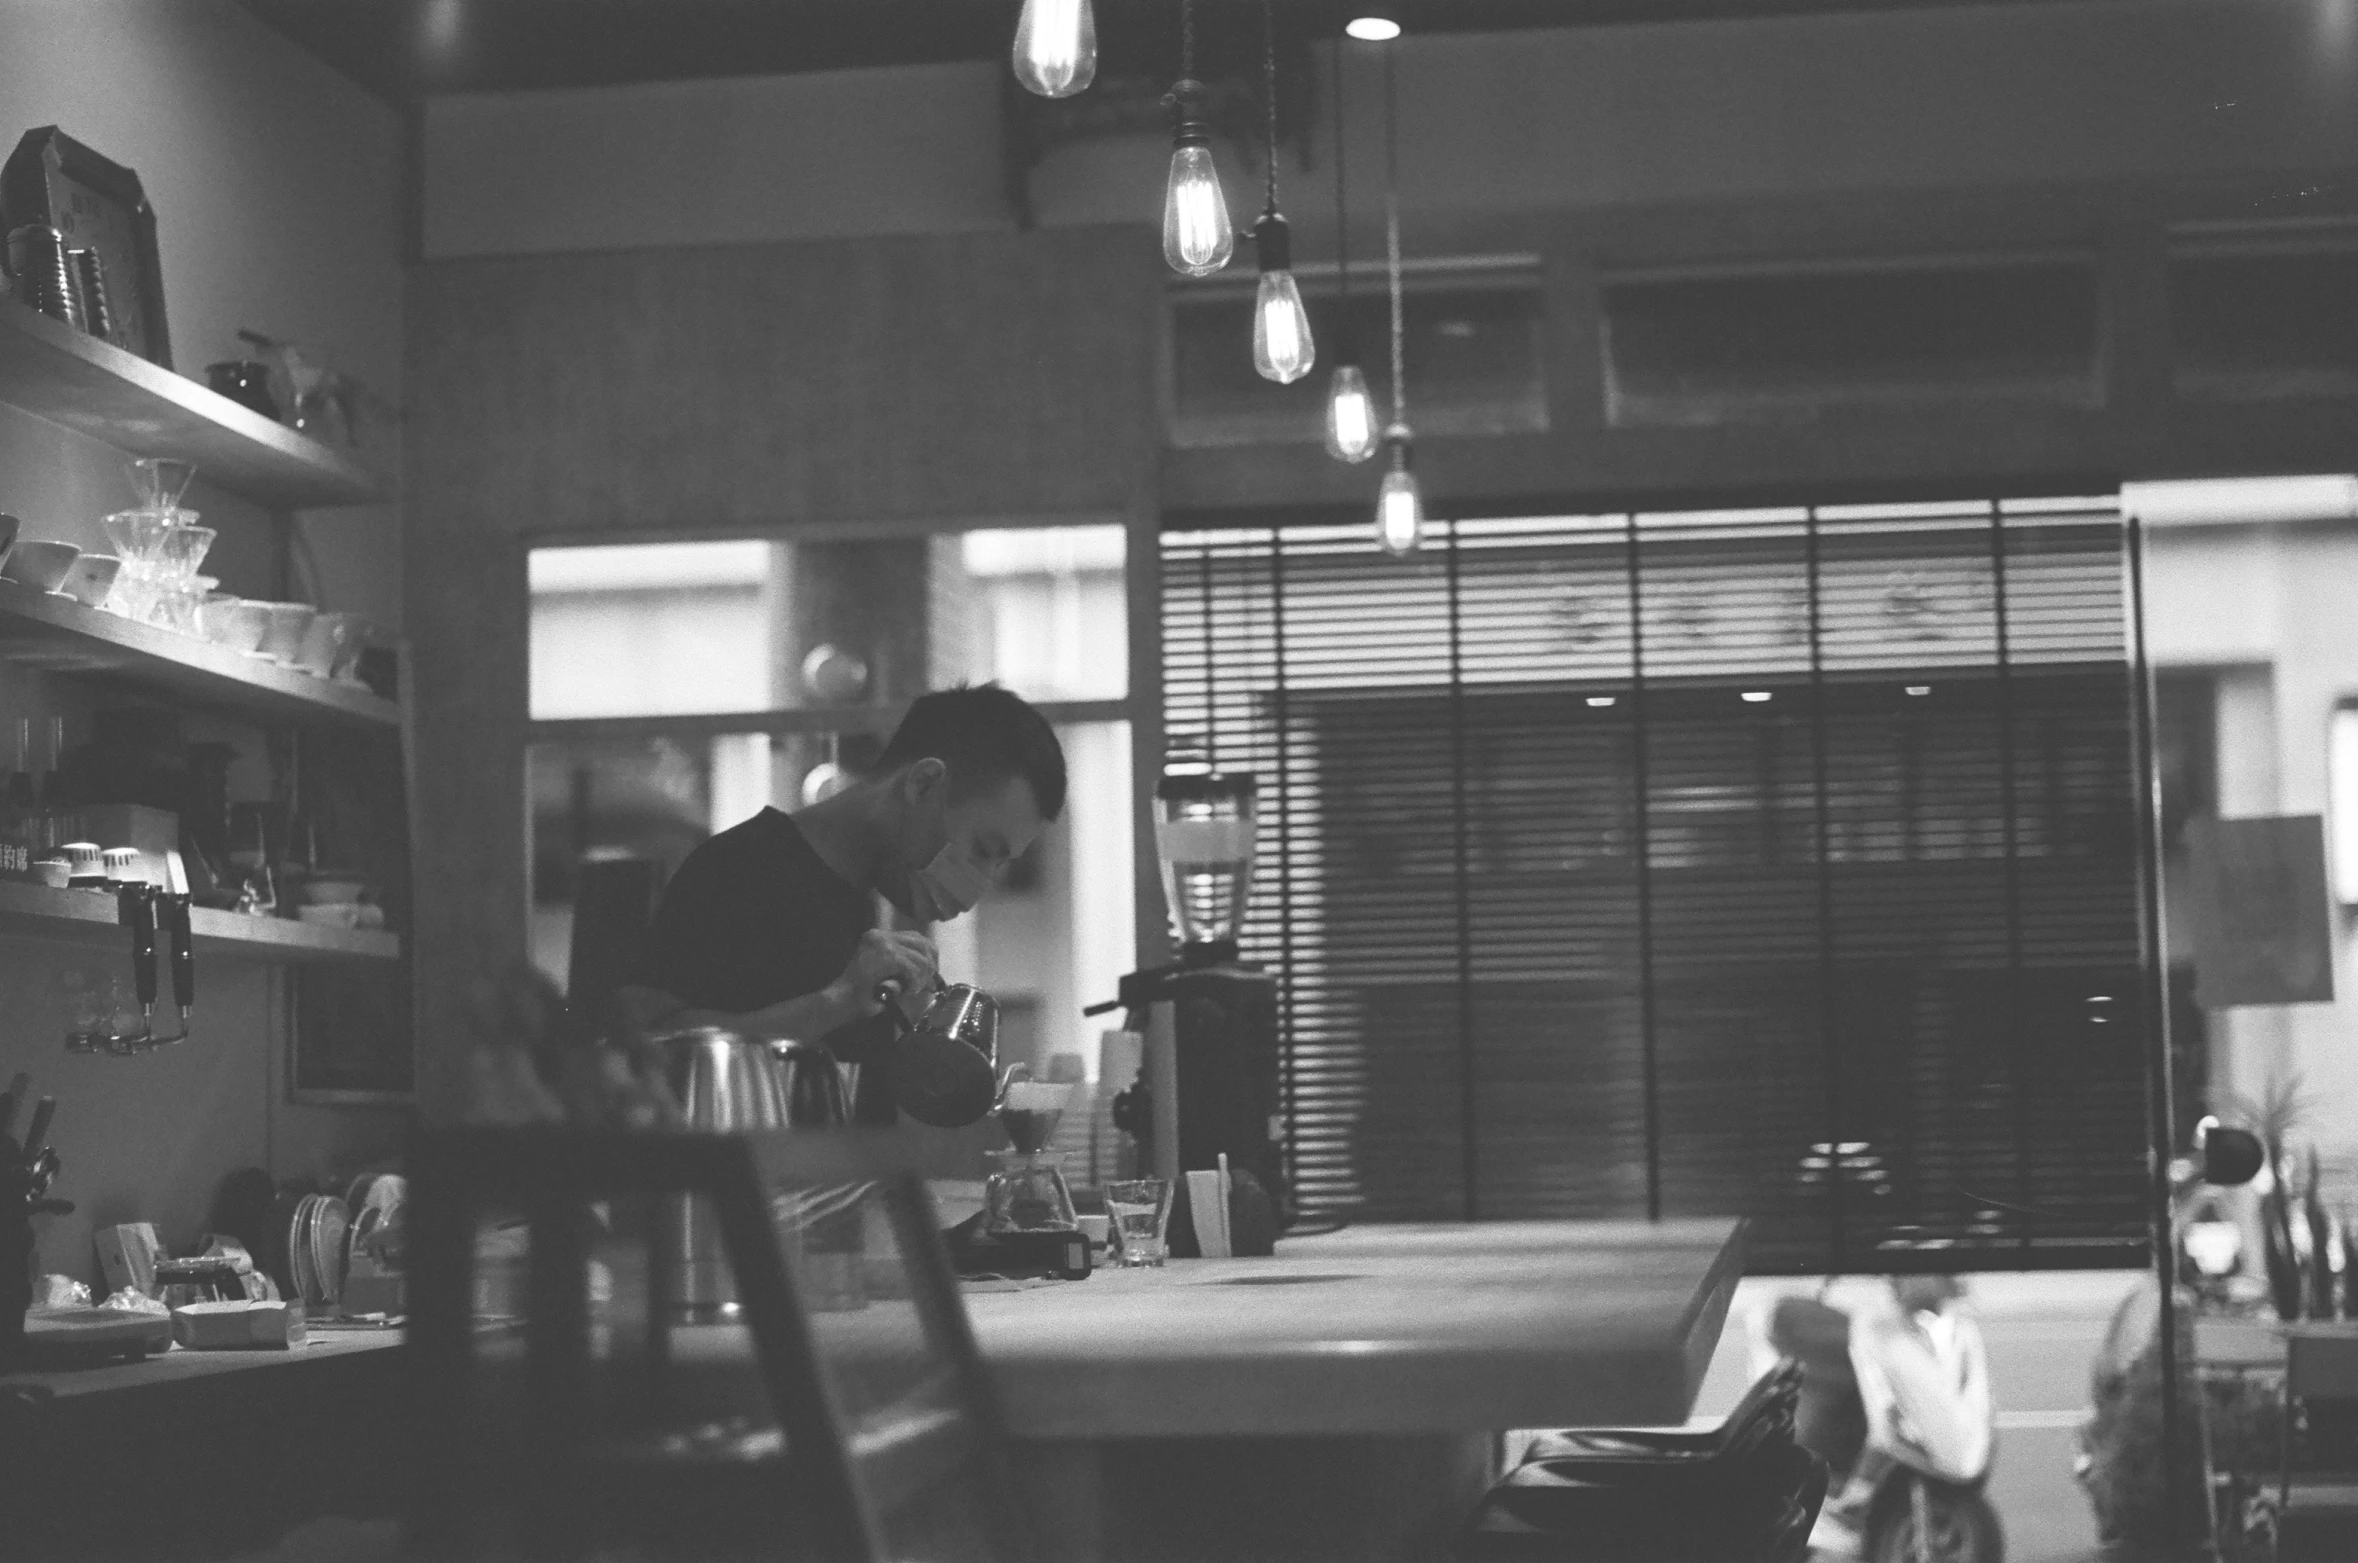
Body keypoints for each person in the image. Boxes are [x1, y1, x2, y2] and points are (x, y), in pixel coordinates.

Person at [617, 683, 1067, 1120]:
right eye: (983, 850)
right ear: (924, 783)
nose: (978, 884)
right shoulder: (739, 868)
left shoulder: (858, 903)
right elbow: (642, 1045)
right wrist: (837, 1002)